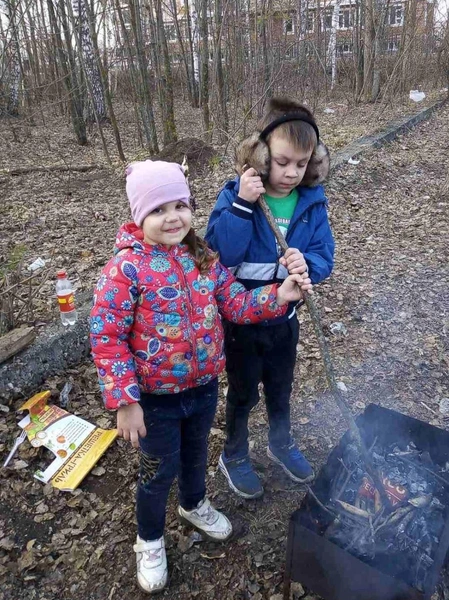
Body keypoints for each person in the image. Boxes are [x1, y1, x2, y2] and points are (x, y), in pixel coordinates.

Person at [89, 159, 312, 594]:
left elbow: (233, 302)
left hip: (203, 386)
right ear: (139, 215)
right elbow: (107, 336)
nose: (172, 217)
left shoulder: (203, 257)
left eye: (180, 205)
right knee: (157, 470)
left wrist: (277, 296)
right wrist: (125, 400)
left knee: (195, 457)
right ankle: (149, 540)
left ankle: (193, 503)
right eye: (158, 210)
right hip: (154, 398)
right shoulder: (125, 269)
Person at [205, 97, 335, 500]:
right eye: (282, 162)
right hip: (243, 323)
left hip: (284, 322)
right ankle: (235, 454)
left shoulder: (312, 203)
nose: (292, 173)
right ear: (261, 157)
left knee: (280, 387)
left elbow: (325, 254)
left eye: (302, 163)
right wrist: (243, 205)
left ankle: (281, 443)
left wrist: (308, 264)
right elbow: (220, 254)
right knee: (243, 393)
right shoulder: (235, 196)